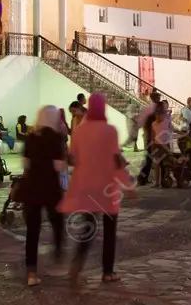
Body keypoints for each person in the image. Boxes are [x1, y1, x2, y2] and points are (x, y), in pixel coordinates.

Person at [59, 93, 132, 286]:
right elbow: (117, 160)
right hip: (107, 186)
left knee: (87, 228)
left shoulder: (79, 131)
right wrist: (128, 184)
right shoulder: (110, 131)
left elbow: (72, 157)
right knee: (109, 230)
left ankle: (77, 265)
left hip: (86, 186)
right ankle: (107, 272)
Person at [21, 105, 66, 286]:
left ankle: (31, 272)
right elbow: (59, 166)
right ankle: (57, 258)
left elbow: (25, 164)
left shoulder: (31, 137)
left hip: (32, 188)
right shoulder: (56, 137)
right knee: (57, 223)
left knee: (32, 230)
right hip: (50, 188)